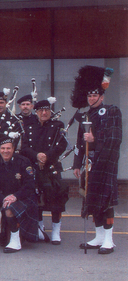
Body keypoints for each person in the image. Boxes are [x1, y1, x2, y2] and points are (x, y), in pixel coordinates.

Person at [71, 66, 122, 254]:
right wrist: (77, 164)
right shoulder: (85, 115)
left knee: (105, 201)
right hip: (88, 164)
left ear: (102, 96)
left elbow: (115, 139)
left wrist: (95, 140)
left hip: (105, 163)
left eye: (95, 96)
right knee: (92, 200)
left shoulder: (112, 111)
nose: (92, 99)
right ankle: (99, 237)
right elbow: (78, 142)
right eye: (89, 96)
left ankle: (109, 240)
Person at [21, 98, 68, 244]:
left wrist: (47, 156)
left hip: (51, 168)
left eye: (47, 110)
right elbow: (24, 148)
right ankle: (40, 228)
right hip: (35, 168)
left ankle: (56, 231)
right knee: (37, 199)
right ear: (36, 111)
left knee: (56, 200)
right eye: (41, 110)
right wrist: (37, 156)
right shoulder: (29, 127)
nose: (44, 112)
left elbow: (62, 145)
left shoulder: (58, 125)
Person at [0, 132, 39, 253]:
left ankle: (15, 241)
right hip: (4, 198)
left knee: (10, 209)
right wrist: (4, 199)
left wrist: (15, 196)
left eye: (8, 148)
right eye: (3, 148)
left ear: (13, 149)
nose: (6, 151)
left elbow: (29, 185)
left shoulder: (23, 162)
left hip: (23, 197)